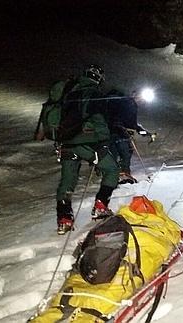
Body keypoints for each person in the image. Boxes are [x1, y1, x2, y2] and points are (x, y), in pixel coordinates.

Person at [55, 64, 120, 235]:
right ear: (98, 79)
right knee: (112, 169)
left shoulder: (69, 94)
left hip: (67, 143)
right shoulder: (95, 94)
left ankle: (64, 219)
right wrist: (103, 142)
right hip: (88, 142)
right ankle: (100, 206)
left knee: (67, 181)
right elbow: (99, 120)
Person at [105, 89, 156, 184]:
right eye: (140, 97)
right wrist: (121, 128)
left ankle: (116, 176)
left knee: (121, 154)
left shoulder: (131, 105)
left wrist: (145, 133)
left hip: (117, 132)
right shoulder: (128, 103)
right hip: (118, 133)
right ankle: (122, 176)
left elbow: (133, 125)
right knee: (124, 153)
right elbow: (117, 118)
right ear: (134, 95)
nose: (142, 101)